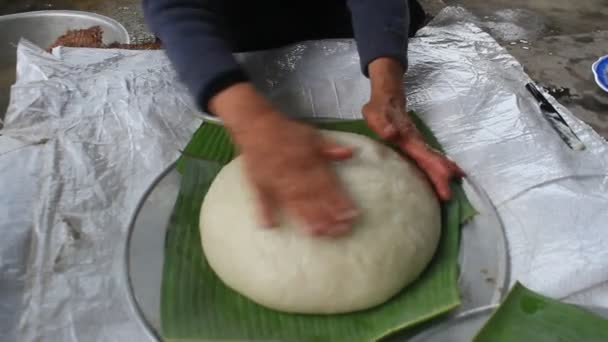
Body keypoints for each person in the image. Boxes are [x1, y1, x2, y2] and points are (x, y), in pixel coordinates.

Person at [143, 0, 464, 236]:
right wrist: (250, 120)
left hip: (353, 25)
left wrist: (387, 89)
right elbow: (176, 6)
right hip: (236, 38)